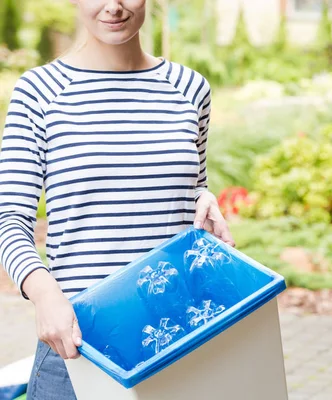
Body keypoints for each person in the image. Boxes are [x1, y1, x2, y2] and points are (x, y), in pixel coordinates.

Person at [0, 0, 235, 398]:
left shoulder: (189, 87)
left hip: (177, 338)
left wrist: (202, 197)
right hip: (78, 343)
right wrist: (44, 294)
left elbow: (192, 180)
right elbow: (8, 219)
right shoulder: (39, 92)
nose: (114, 6)